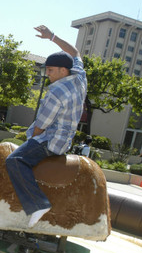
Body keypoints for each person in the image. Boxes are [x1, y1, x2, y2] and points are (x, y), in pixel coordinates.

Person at [5, 25, 87, 228]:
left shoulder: (56, 91)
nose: (47, 74)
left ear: (62, 70)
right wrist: (52, 37)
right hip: (66, 140)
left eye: (50, 70)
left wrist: (30, 139)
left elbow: (41, 126)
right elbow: (75, 52)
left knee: (14, 160)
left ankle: (37, 204)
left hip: (51, 141)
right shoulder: (79, 76)